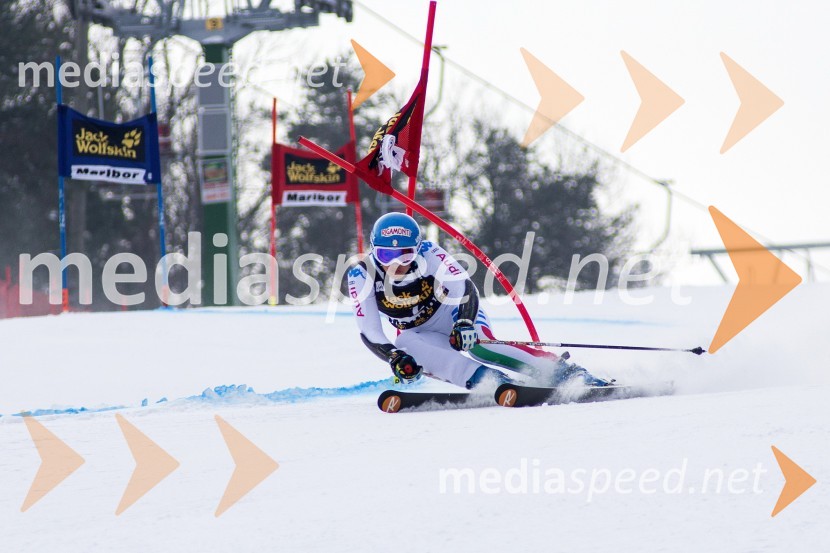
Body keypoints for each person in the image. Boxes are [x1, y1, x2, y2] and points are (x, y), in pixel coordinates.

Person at [347, 212, 612, 390]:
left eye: (404, 256)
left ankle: (564, 372)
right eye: (385, 254)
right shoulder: (362, 275)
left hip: (454, 313)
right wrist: (394, 358)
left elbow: (463, 287)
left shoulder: (430, 253)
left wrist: (463, 323)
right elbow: (370, 330)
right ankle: (492, 382)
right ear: (373, 250)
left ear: (416, 250)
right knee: (407, 346)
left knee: (480, 347)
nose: (395, 264)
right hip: (417, 331)